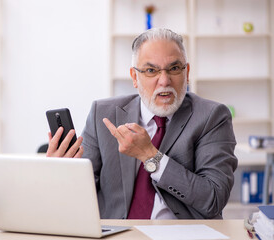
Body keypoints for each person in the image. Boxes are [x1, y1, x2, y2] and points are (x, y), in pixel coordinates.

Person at [46, 28, 238, 219]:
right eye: (151, 70)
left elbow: (213, 200)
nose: (164, 80)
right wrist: (60, 175)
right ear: (134, 77)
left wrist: (150, 156)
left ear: (186, 73)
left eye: (174, 68)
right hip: (116, 233)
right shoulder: (102, 114)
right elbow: (82, 195)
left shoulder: (212, 117)